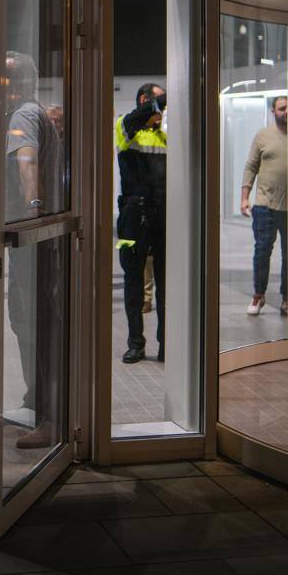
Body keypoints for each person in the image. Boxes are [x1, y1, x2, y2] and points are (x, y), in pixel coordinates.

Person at [5, 51, 64, 449]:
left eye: (4, 78)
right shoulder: (34, 113)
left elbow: (28, 165)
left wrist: (32, 214)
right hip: (35, 238)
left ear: (20, 82)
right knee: (27, 320)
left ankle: (49, 416)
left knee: (34, 321)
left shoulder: (23, 116)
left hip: (31, 239)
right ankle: (36, 399)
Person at [115, 83, 167, 364]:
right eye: (160, 103)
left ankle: (166, 344)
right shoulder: (125, 127)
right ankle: (136, 344)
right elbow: (139, 116)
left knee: (165, 281)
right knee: (133, 278)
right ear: (145, 100)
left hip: (163, 215)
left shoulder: (166, 138)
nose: (163, 110)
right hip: (132, 217)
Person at [241, 95, 288, 317]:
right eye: (282, 108)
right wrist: (244, 196)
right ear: (273, 111)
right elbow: (251, 166)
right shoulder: (263, 136)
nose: (286, 111)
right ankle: (259, 295)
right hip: (265, 205)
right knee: (262, 251)